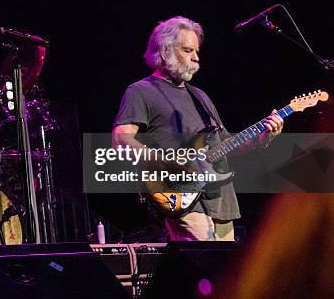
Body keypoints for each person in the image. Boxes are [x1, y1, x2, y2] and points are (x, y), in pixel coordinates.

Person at [112, 16, 283, 241]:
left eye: (196, 51)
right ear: (164, 51)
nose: (196, 58)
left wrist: (261, 138)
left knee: (222, 273)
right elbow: (121, 140)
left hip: (221, 200)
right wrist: (166, 161)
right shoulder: (141, 91)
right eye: (187, 50)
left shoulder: (200, 96)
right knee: (201, 269)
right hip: (183, 197)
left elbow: (225, 146)